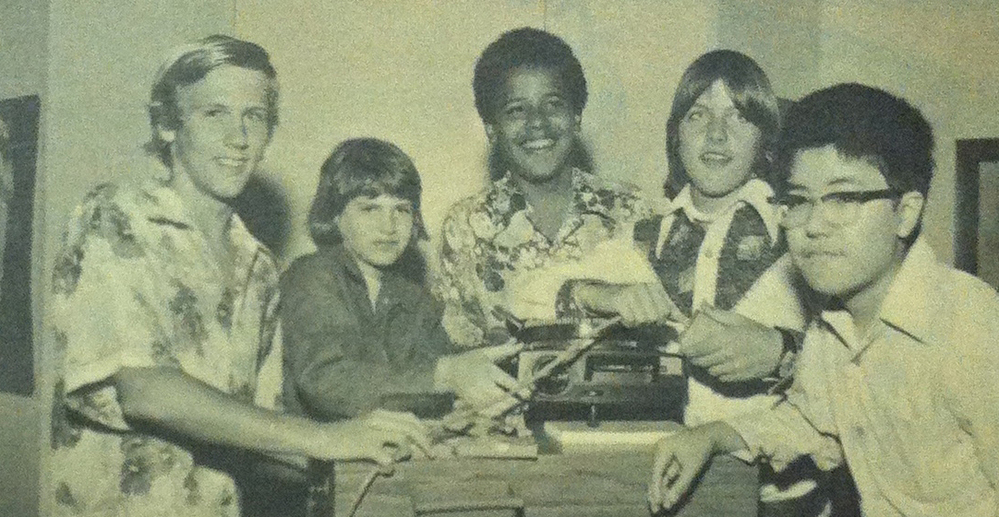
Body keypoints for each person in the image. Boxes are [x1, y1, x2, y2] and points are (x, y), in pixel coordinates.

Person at [48, 35, 428, 517]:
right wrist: (322, 438)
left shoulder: (260, 264)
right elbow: (146, 391)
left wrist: (375, 446)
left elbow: (258, 434)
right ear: (168, 124)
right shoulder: (116, 217)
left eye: (254, 117)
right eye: (215, 114)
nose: (239, 137)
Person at [649, 83, 999, 517]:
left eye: (844, 198)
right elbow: (809, 422)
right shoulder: (832, 322)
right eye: (798, 201)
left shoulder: (972, 325)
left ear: (905, 213)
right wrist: (714, 435)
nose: (814, 225)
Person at [560, 50, 821, 515]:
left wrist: (782, 354)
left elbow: (863, 368)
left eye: (738, 117)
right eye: (697, 114)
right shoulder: (643, 237)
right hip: (677, 489)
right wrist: (601, 294)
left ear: (766, 141)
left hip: (787, 497)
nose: (716, 134)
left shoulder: (801, 233)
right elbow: (540, 299)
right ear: (676, 135)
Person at [280, 138, 525, 423]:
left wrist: (494, 363)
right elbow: (328, 381)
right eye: (370, 209)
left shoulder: (412, 297)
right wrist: (447, 374)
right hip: (312, 455)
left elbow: (437, 366)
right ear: (334, 216)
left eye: (401, 209)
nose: (389, 226)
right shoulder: (313, 277)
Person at [437, 27, 649, 349]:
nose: (538, 123)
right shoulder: (464, 227)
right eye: (516, 110)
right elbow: (458, 349)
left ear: (576, 117)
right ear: (491, 129)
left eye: (553, 104)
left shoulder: (630, 210)